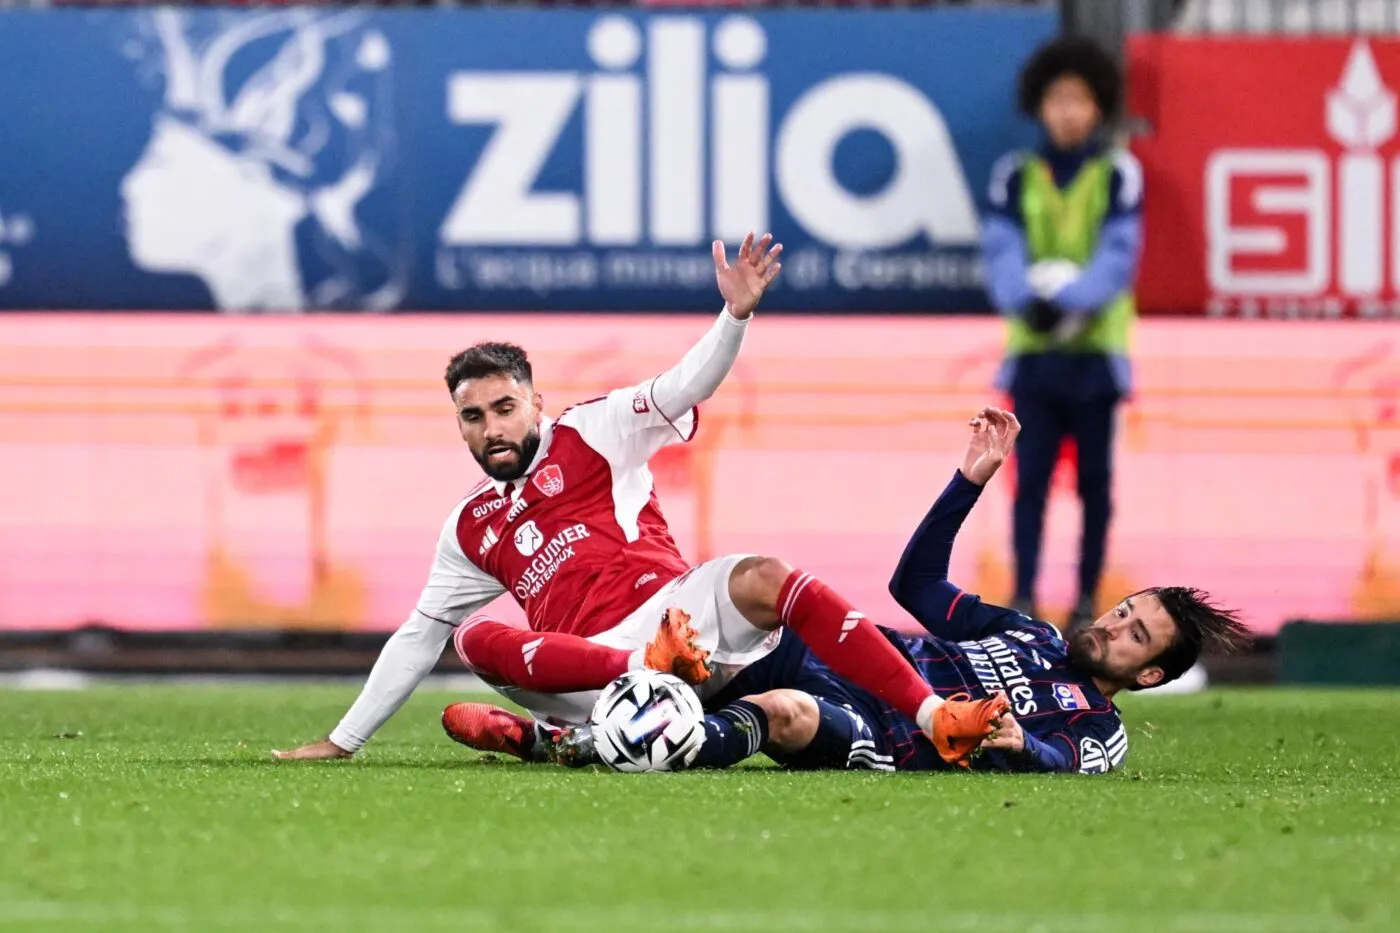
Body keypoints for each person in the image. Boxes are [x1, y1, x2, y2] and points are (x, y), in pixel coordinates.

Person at [274, 233, 999, 763]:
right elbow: (416, 638)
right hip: (591, 664)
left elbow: (685, 385)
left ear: (536, 404)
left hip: (677, 620)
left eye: (504, 408)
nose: (492, 428)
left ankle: (935, 713)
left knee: (765, 576)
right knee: (466, 636)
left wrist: (734, 317)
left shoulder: (595, 428)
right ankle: (611, 707)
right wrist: (343, 741)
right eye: (473, 416)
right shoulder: (470, 526)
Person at [448, 408, 1248, 775]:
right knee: (718, 640)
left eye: (1133, 635)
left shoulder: (1098, 724)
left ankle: (577, 740)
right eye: (1122, 609)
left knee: (781, 715)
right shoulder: (1031, 633)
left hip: (882, 729)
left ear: (1148, 674)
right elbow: (916, 586)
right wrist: (967, 484)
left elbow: (1067, 760)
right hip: (855, 659)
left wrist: (1021, 749)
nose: (1110, 625)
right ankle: (608, 700)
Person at [980, 35, 1144, 627]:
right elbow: (1001, 255)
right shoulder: (1014, 177)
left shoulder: (1118, 174)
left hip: (1095, 358)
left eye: (1079, 99)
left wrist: (1068, 300)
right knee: (1030, 485)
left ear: (1098, 106)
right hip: (1035, 361)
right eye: (1057, 99)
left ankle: (1086, 602)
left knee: (1096, 488)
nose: (1068, 111)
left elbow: (1118, 258)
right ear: (1039, 106)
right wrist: (1030, 302)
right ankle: (1023, 599)